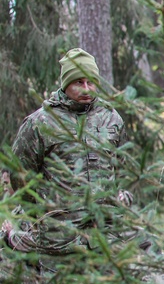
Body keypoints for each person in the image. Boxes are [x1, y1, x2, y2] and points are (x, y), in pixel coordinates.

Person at [3, 48, 131, 266]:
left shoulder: (111, 118)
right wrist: (43, 212)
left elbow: (121, 166)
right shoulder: (40, 123)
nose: (86, 88)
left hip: (106, 234)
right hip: (58, 238)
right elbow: (20, 175)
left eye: (91, 82)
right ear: (65, 84)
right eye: (78, 82)